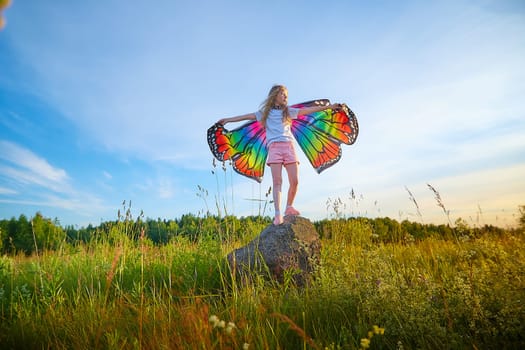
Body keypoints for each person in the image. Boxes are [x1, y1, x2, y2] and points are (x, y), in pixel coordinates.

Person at [217, 85, 341, 225]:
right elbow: (246, 116)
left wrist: (329, 107)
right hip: (274, 148)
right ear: (275, 95)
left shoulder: (289, 112)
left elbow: (308, 110)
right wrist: (227, 119)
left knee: (295, 181)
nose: (285, 96)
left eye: (286, 94)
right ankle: (277, 214)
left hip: (289, 147)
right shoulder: (265, 113)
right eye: (283, 94)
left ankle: (289, 207)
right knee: (277, 182)